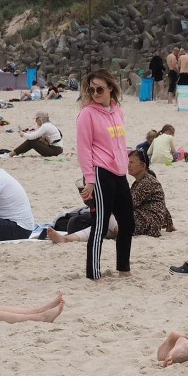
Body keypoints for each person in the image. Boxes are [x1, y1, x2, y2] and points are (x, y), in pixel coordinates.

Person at [76, 69, 135, 280]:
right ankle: (93, 274)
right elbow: (84, 149)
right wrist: (89, 180)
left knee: (128, 222)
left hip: (119, 173)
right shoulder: (87, 114)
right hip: (101, 173)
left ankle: (124, 269)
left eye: (99, 89)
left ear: (110, 87)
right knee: (100, 224)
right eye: (91, 90)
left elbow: (120, 143)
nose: (95, 93)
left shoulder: (117, 111)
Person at [48, 149, 176, 243]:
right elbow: (162, 206)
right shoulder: (141, 181)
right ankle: (66, 239)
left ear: (143, 166)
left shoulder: (148, 182)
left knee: (105, 213)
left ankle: (118, 229)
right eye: (128, 162)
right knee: (102, 228)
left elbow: (127, 205)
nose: (128, 165)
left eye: (132, 162)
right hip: (143, 221)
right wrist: (170, 225)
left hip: (146, 222)